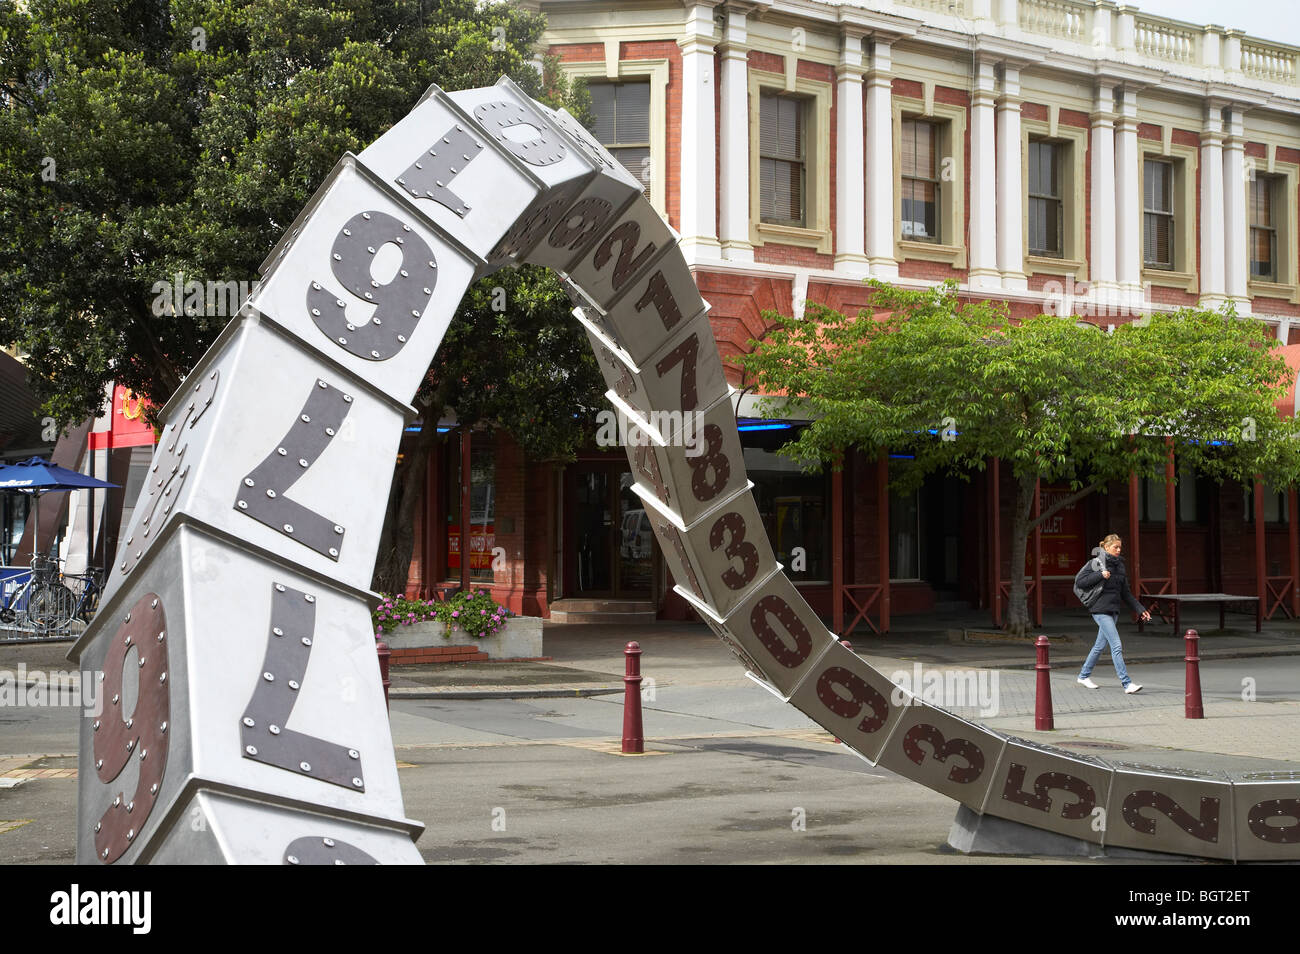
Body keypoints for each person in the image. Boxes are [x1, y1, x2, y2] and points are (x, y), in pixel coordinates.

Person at [1076, 533, 1151, 693]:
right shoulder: (1096, 563)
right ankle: (1127, 683)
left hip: (1113, 610)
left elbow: (1126, 593)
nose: (1118, 550)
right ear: (1106, 547)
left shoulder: (1120, 566)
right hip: (1100, 609)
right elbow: (1080, 582)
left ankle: (1083, 676)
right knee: (1116, 645)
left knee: (1099, 646)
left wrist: (1140, 610)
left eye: (1120, 547)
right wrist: (1099, 575)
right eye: (1115, 547)